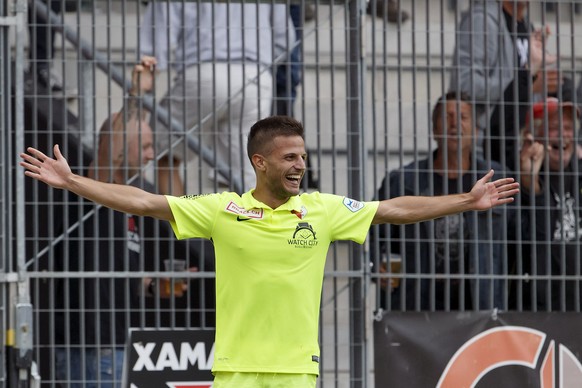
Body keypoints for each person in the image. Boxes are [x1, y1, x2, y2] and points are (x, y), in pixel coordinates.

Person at [20, 115, 519, 387]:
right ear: (260, 163)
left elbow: (393, 208)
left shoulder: (323, 210)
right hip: (235, 370)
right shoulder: (223, 209)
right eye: (289, 157)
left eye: (303, 156)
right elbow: (147, 201)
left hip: (298, 372)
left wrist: (466, 200)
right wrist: (74, 182)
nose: (300, 165)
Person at [51, 57, 190, 388]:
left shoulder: (129, 201)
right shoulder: (90, 187)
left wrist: (155, 284)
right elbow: (108, 152)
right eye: (143, 145)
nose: (150, 155)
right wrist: (134, 97)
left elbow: (123, 273)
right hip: (91, 349)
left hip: (115, 346)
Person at [371, 92, 511, 311]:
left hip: (479, 303)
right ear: (435, 129)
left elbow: (522, 236)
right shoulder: (405, 181)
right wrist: (373, 263)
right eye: (447, 117)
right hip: (416, 302)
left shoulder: (495, 179)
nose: (455, 124)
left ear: (475, 130)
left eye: (463, 117)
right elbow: (370, 224)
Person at [139, 2, 295, 196]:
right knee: (248, 170)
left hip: (203, 70)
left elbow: (159, 34)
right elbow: (285, 38)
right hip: (255, 74)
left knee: (165, 154)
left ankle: (180, 226)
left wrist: (149, 73)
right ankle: (255, 224)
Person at [449, 0, 559, 169]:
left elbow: (523, 87)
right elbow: (465, 85)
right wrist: (529, 82)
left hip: (516, 144)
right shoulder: (482, 20)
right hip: (486, 147)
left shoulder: (525, 26)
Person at [518, 78, 582, 311]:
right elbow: (534, 237)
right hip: (541, 307)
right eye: (554, 128)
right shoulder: (520, 180)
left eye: (567, 128)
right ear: (533, 138)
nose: (564, 135)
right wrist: (531, 182)